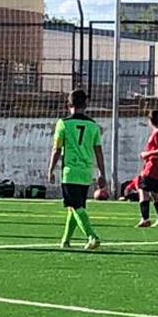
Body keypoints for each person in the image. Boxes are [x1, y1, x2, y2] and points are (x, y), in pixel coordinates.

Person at [47, 89, 105, 250]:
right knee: (75, 207)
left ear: (68, 105)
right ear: (85, 105)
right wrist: (102, 173)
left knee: (75, 206)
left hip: (70, 171)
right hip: (86, 172)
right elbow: (98, 151)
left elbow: (57, 149)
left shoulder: (63, 124)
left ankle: (92, 236)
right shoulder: (93, 125)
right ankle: (65, 241)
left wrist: (51, 169)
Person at [134, 110, 158, 228]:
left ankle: (145, 218)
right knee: (155, 192)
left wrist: (146, 154)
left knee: (142, 189)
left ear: (150, 121)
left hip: (153, 167)